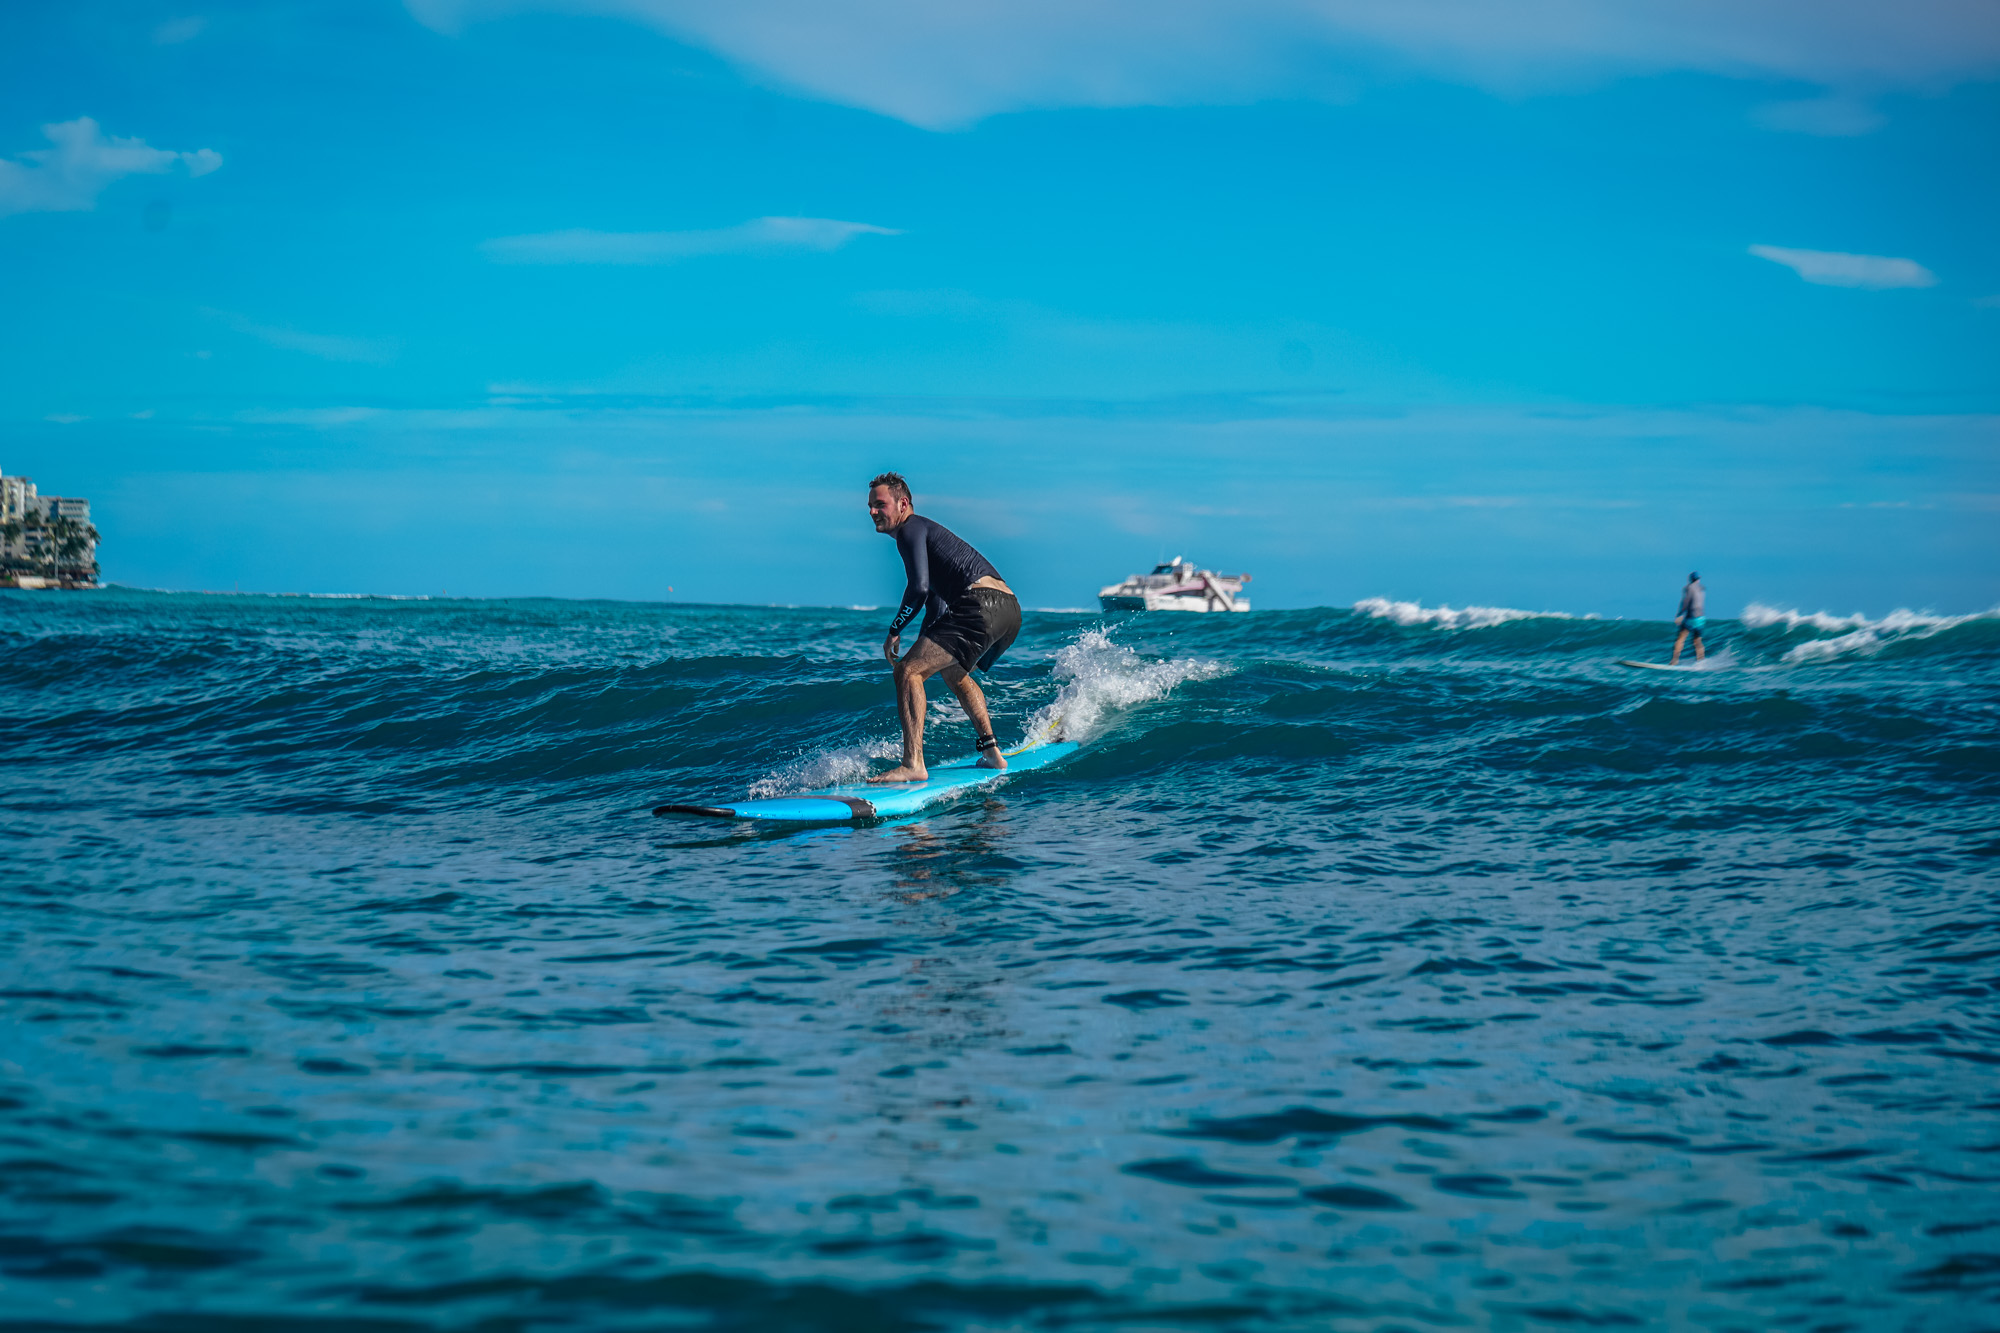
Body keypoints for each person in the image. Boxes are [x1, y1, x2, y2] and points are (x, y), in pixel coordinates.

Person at [865, 472, 1022, 783]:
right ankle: (992, 753)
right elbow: (935, 603)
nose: (872, 512)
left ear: (902, 503)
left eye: (879, 505)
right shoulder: (926, 534)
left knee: (907, 672)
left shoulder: (910, 530)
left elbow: (919, 588)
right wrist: (921, 641)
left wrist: (894, 631)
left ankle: (913, 764)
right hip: (1008, 610)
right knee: (953, 671)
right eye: (870, 506)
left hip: (978, 605)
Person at [1671, 571, 1707, 664]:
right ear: (1698, 579)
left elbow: (1686, 602)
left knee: (1680, 639)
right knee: (1697, 641)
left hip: (1691, 617)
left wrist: (1679, 614)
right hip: (1701, 618)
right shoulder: (1702, 588)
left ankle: (1674, 661)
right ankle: (1701, 661)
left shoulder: (1688, 588)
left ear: (1690, 579)